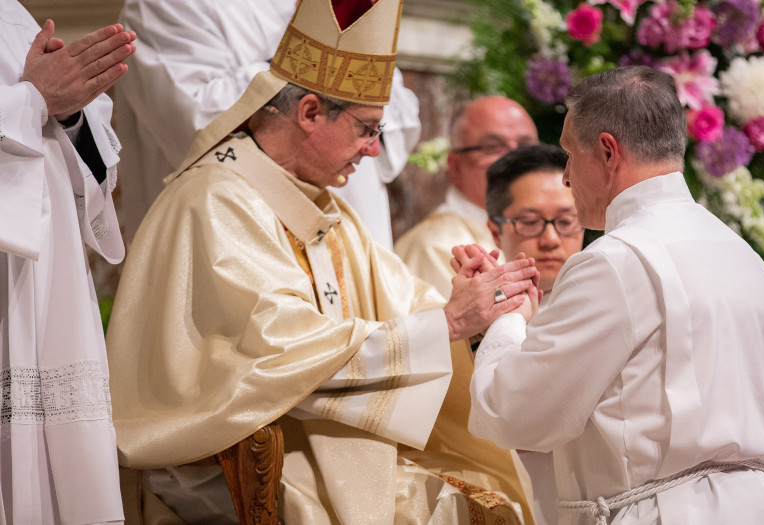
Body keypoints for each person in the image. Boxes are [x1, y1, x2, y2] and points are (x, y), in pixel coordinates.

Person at [105, 0, 536, 523]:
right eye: (367, 129)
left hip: (320, 434)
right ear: (309, 113)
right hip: (244, 453)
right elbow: (272, 350)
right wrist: (446, 322)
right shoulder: (218, 200)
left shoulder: (315, 202)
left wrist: (475, 307)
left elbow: (394, 297)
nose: (375, 151)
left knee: (494, 489)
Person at [463, 66, 764, 525]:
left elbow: (514, 413)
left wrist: (506, 315)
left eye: (567, 154)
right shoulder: (744, 256)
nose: (565, 177)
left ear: (607, 152)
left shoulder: (614, 261)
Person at [114, 0, 420, 247]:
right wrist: (315, 52)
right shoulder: (166, 5)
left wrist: (349, 25)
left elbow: (392, 139)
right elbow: (197, 125)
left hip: (353, 235)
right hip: (236, 249)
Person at [0, 3, 136, 522]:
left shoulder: (12, 13)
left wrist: (71, 111)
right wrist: (31, 99)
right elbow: (28, 102)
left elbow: (81, 148)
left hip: (46, 275)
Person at [484, 143, 584, 525]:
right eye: (529, 222)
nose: (550, 239)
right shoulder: (471, 310)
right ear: (495, 229)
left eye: (566, 220)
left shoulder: (609, 302)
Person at [395, 95, 538, 297]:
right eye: (493, 147)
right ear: (454, 165)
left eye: (527, 147)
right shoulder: (432, 247)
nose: (516, 160)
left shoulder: (552, 230)